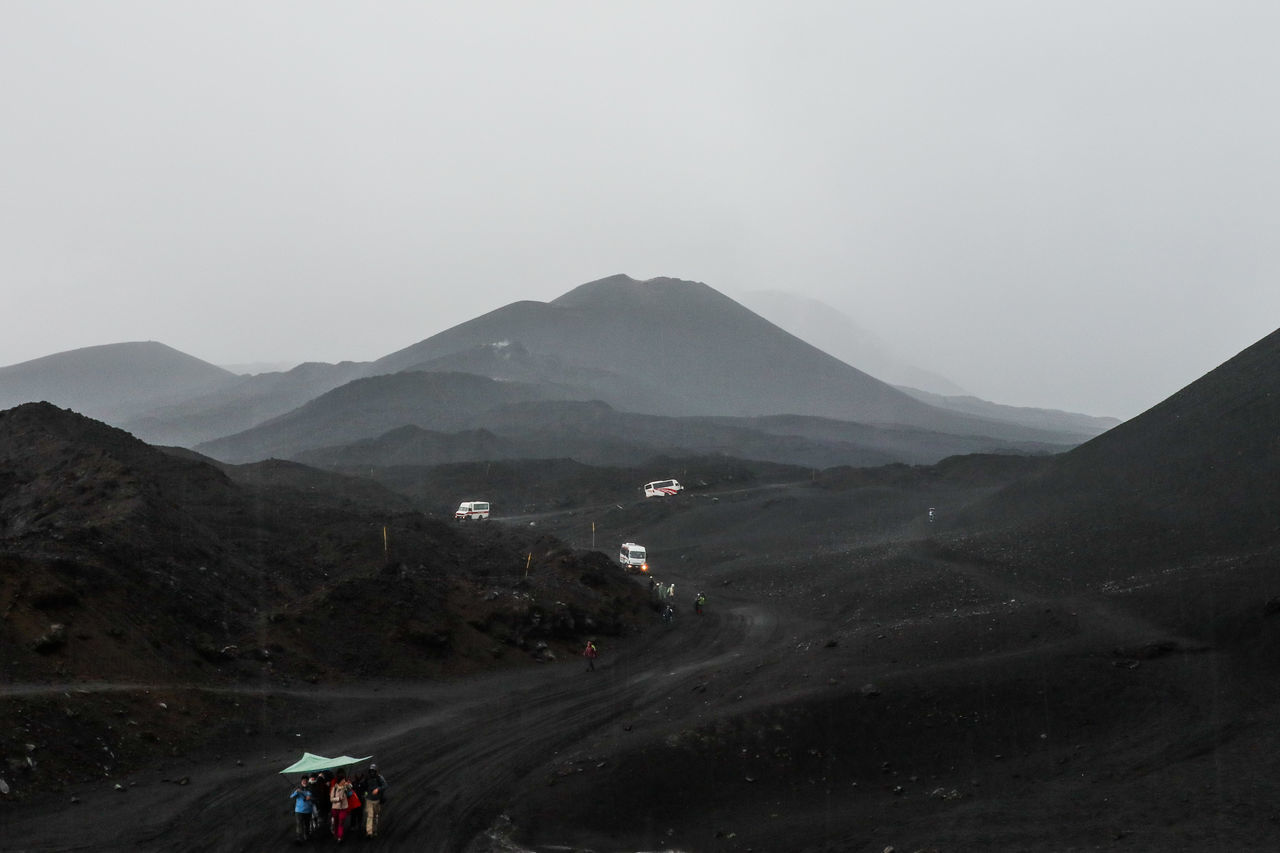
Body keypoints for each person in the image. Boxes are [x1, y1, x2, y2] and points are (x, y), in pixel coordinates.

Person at [329, 768, 354, 842]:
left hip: (343, 808)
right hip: (335, 808)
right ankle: (336, 835)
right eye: (343, 780)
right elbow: (331, 799)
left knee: (341, 822)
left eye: (344, 780)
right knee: (336, 823)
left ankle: (340, 837)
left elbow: (351, 789)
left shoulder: (346, 787)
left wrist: (348, 785)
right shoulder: (334, 788)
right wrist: (338, 799)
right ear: (340, 781)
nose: (344, 781)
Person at [365, 763, 388, 838]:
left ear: (376, 771)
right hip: (369, 800)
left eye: (373, 771)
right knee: (370, 816)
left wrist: (378, 789)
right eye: (371, 770)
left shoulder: (379, 778)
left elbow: (385, 785)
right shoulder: (367, 778)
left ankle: (374, 830)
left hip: (377, 800)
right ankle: (369, 832)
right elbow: (364, 786)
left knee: (375, 816)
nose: (372, 772)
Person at [289, 776, 314, 843]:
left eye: (306, 780)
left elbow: (314, 798)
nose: (304, 781)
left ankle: (307, 836)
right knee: (299, 824)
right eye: (303, 780)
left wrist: (310, 797)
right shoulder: (297, 788)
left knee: (307, 824)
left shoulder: (311, 788)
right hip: (299, 810)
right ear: (301, 781)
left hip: (308, 810)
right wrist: (296, 792)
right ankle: (299, 838)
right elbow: (291, 796)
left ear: (307, 781)